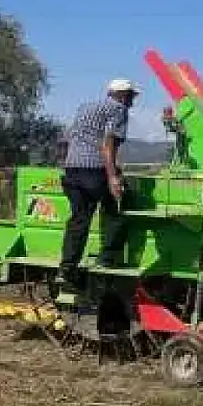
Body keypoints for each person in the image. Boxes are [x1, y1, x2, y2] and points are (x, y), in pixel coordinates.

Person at [58, 78, 138, 289]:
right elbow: (108, 143)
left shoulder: (86, 107)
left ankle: (67, 268)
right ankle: (108, 257)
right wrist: (113, 177)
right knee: (119, 204)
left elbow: (67, 138)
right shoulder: (119, 110)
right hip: (94, 169)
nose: (132, 101)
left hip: (72, 169)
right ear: (122, 96)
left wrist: (65, 164)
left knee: (79, 219)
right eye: (131, 97)